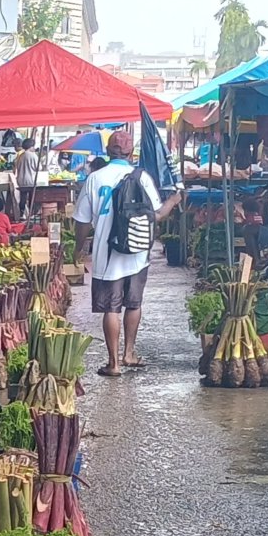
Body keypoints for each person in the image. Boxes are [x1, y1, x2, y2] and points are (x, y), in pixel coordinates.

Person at [74, 128, 181, 377]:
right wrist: (173, 201)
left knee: (111, 308)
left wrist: (78, 249)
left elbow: (82, 221)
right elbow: (157, 215)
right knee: (134, 304)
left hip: (105, 253)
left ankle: (113, 364)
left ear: (108, 152)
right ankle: (129, 353)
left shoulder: (94, 178)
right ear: (131, 152)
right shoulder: (141, 177)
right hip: (137, 252)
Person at [13, 137, 43, 218]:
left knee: (23, 197)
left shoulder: (20, 156)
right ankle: (31, 214)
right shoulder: (33, 156)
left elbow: (16, 168)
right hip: (30, 180)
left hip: (21, 180)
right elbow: (39, 168)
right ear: (31, 146)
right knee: (32, 197)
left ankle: (22, 214)